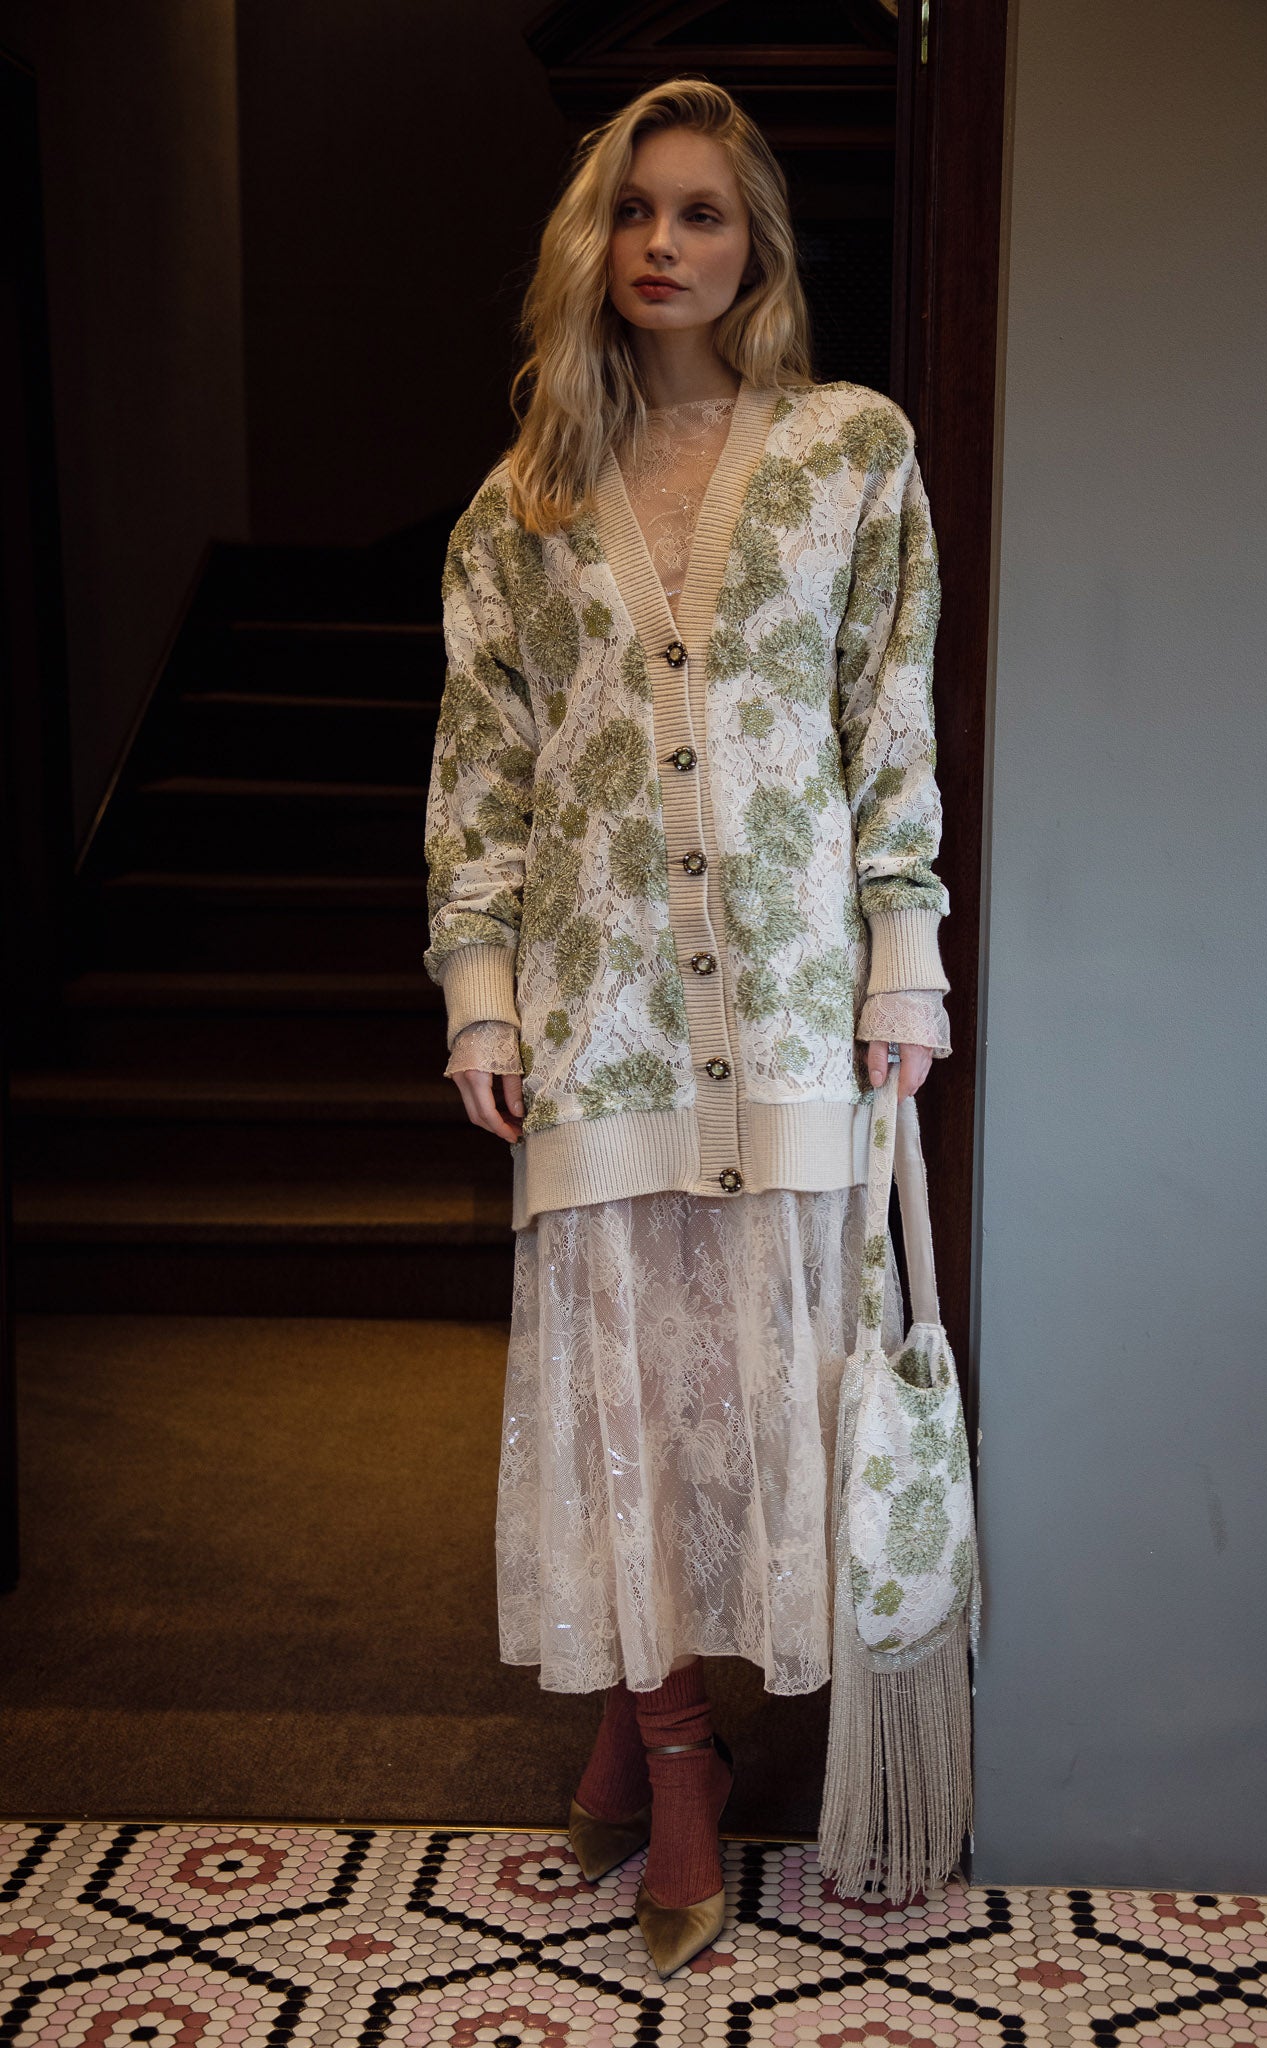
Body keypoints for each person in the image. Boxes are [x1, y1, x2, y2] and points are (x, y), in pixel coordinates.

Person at [424, 77, 952, 1978]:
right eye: (635, 211)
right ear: (593, 244)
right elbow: (483, 773)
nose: (664, 243)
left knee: (759, 1404)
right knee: (623, 1416)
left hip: (795, 1015)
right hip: (604, 1030)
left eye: (702, 212)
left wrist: (905, 957)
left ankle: (639, 1725)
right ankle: (672, 1768)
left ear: (755, 245)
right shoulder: (521, 502)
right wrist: (481, 994)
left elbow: (885, 718)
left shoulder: (849, 452)